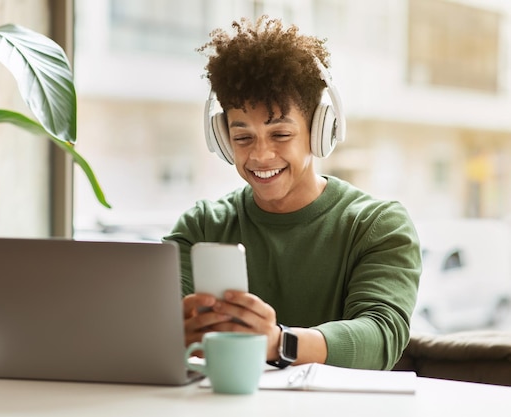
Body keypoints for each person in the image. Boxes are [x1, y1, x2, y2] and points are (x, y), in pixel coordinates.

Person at [162, 16, 421, 370]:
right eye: (242, 137)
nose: (259, 155)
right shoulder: (203, 225)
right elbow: (154, 326)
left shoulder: (376, 225)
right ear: (222, 140)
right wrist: (175, 331)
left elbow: (380, 336)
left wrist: (279, 342)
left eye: (280, 135)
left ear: (319, 130)